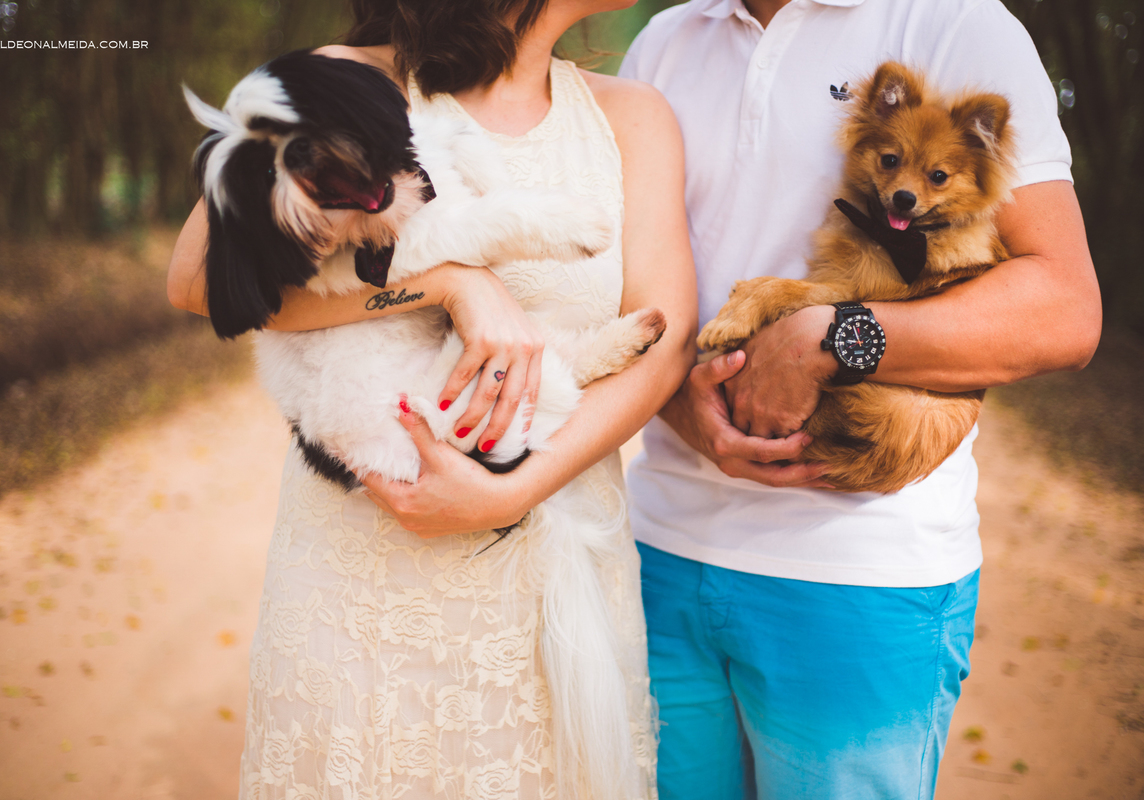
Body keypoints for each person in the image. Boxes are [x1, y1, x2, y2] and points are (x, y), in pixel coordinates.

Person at [167, 1, 696, 796]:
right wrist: (449, 285)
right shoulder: (345, 84)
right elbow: (199, 281)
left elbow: (667, 347)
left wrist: (510, 491)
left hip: (556, 559)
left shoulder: (636, 115)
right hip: (365, 589)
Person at [619, 0, 1100, 798]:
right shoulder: (668, 39)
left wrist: (833, 340)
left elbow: (1064, 309)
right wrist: (677, 402)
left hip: (861, 578)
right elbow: (621, 280)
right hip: (659, 555)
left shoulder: (955, 25)